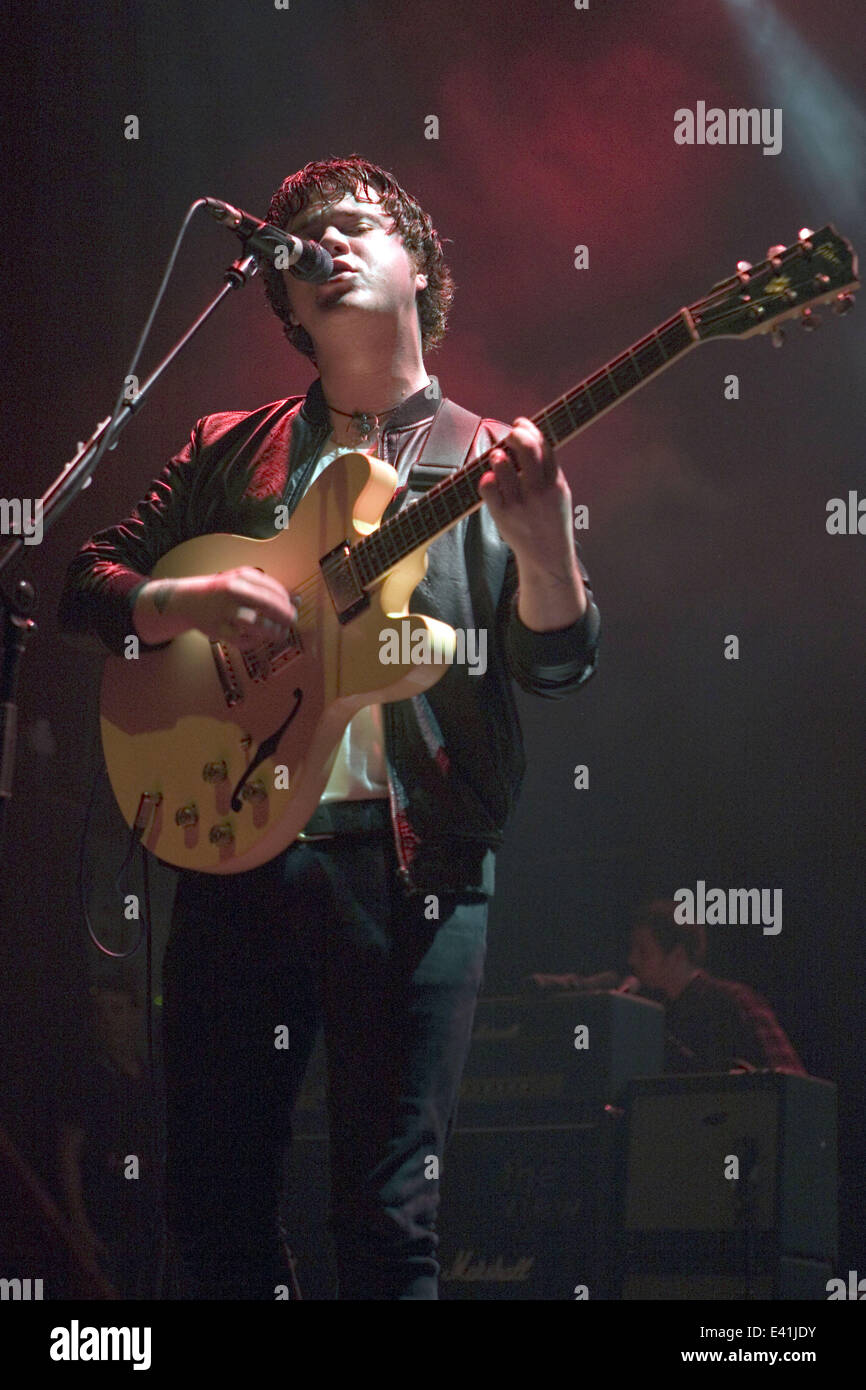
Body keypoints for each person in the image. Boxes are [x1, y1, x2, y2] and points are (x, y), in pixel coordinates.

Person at [58, 155, 601, 1300]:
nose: (331, 243)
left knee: (385, 1213)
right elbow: (87, 580)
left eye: (358, 225)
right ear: (287, 301)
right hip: (237, 843)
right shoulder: (227, 446)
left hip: (412, 867)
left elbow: (556, 663)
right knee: (210, 1212)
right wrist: (186, 602)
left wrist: (545, 544)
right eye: (306, 239)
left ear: (420, 269)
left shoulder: (480, 456)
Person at [626, 899, 806, 1074]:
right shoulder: (658, 1013)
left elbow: (791, 1079)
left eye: (643, 951)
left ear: (677, 955)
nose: (632, 960)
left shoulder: (733, 1000)